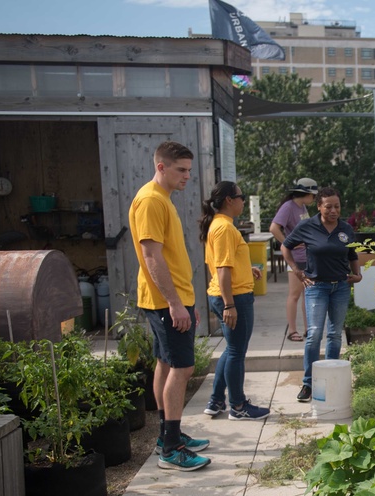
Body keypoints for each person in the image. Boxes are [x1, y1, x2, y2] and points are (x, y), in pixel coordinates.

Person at [128, 141, 211, 472]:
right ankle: (171, 449)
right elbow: (151, 256)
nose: (187, 176)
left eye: (190, 170)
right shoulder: (150, 200)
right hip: (166, 302)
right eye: (181, 169)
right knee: (182, 369)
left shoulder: (161, 198)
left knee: (165, 364)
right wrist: (176, 304)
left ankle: (168, 436)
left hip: (172, 301)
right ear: (161, 166)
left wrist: (186, 303)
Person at [282, 187, 362, 403]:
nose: (333, 210)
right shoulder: (307, 226)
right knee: (315, 334)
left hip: (341, 287)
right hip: (316, 287)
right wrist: (297, 271)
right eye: (328, 207)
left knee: (335, 334)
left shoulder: (345, 229)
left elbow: (352, 253)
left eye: (337, 206)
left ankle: (330, 379)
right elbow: (285, 246)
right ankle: (308, 383)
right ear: (319, 206)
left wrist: (358, 274)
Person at [199, 181, 271, 421]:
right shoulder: (224, 228)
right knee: (237, 352)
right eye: (241, 197)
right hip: (233, 298)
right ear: (229, 200)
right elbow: (222, 268)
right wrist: (230, 304)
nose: (243, 201)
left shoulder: (222, 225)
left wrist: (246, 267)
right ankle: (238, 406)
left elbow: (227, 262)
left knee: (231, 349)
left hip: (229, 294)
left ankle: (216, 400)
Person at [269, 178, 317, 343]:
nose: (314, 199)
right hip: (295, 259)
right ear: (305, 193)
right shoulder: (288, 207)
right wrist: (287, 244)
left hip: (307, 256)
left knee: (307, 294)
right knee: (294, 294)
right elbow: (274, 228)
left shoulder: (302, 207)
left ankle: (308, 328)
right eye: (313, 195)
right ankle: (292, 330)